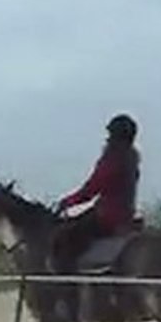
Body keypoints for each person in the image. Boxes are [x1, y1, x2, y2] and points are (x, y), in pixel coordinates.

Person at [50, 113, 141, 274]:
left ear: (117, 136)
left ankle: (67, 288)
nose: (107, 139)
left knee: (64, 240)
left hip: (107, 217)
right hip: (127, 214)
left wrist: (68, 202)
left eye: (110, 135)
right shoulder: (131, 158)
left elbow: (92, 188)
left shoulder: (113, 158)